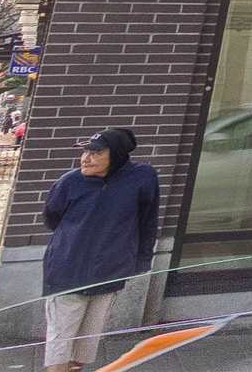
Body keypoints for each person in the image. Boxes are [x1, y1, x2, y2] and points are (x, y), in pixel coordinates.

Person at [41, 129, 157, 372]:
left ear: (116, 156)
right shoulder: (69, 182)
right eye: (85, 152)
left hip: (109, 272)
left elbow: (147, 221)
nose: (86, 158)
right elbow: (52, 218)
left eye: (96, 153)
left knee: (86, 344)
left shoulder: (142, 178)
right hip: (67, 272)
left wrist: (141, 261)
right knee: (60, 342)